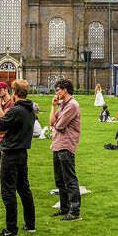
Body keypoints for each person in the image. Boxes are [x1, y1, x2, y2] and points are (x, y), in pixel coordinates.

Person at [0, 79, 36, 236]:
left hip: (11, 153)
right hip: (23, 152)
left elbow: (0, 125)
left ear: (14, 93)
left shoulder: (16, 110)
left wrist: (1, 108)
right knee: (24, 189)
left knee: (8, 191)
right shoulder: (30, 109)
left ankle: (11, 229)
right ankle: (30, 224)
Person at [50, 79, 82, 221]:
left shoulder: (72, 105)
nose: (56, 92)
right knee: (60, 179)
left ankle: (74, 211)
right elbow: (52, 122)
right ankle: (64, 207)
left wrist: (55, 124)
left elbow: (59, 125)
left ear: (65, 90)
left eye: (58, 90)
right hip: (57, 144)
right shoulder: (62, 105)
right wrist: (53, 106)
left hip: (66, 145)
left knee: (69, 179)